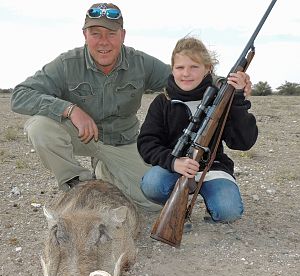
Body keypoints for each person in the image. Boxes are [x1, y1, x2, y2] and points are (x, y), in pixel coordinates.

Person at [11, 3, 252, 212]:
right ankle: (78, 185)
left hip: (123, 142)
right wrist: (70, 110)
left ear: (123, 35)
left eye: (111, 33)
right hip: (80, 136)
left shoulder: (141, 63)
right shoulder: (65, 64)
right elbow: (20, 95)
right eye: (95, 33)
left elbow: (185, 75)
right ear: (85, 34)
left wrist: (228, 85)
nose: (103, 41)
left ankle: (106, 171)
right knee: (39, 127)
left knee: (153, 201)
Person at [137, 37, 258, 223]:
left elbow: (243, 142)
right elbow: (146, 143)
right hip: (175, 167)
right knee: (152, 185)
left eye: (194, 67)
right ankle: (176, 203)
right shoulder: (162, 101)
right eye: (180, 67)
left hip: (212, 168)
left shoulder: (222, 100)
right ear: (172, 69)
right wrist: (174, 162)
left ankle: (207, 200)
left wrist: (238, 99)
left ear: (208, 68)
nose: (186, 73)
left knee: (228, 211)